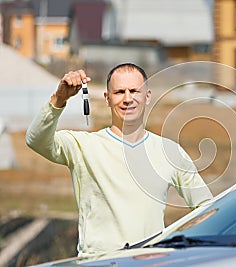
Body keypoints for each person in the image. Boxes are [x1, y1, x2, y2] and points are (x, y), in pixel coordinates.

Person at [26, 63, 213, 256]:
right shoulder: (84, 146)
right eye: (119, 92)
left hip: (149, 261)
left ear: (147, 96)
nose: (127, 99)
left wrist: (175, 248)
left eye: (134, 91)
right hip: (99, 262)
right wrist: (59, 99)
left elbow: (206, 209)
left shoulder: (169, 151)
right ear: (107, 99)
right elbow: (35, 140)